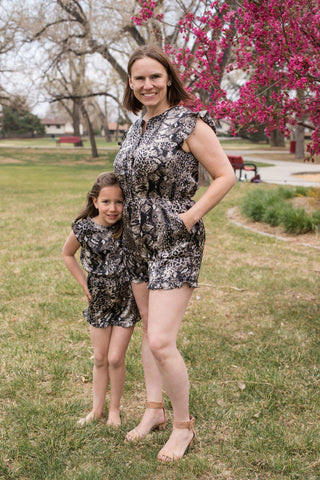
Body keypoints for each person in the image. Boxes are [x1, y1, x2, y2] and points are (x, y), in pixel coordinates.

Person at [113, 45, 236, 461]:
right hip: (135, 241)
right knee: (149, 331)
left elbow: (224, 175)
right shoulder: (135, 127)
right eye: (139, 78)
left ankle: (183, 425)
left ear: (169, 79)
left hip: (175, 241)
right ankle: (153, 411)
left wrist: (186, 219)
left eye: (155, 77)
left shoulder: (188, 122)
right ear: (130, 84)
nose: (147, 85)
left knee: (162, 340)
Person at [62, 172, 140, 427]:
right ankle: (96, 410)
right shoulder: (83, 227)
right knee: (100, 357)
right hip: (99, 299)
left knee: (116, 358)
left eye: (119, 202)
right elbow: (67, 255)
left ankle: (115, 409)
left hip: (126, 299)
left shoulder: (128, 226)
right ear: (95, 201)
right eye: (106, 201)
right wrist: (84, 284)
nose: (113, 208)